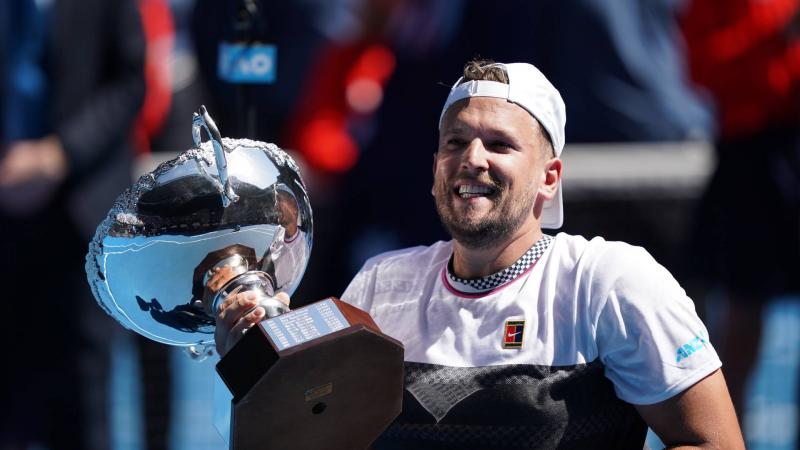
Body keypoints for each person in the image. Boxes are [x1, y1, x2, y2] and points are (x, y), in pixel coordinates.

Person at [215, 59, 744, 449]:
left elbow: (716, 443)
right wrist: (254, 364)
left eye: (500, 144)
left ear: (549, 178)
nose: (472, 159)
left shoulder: (609, 282)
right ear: (434, 170)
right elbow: (308, 435)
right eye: (455, 142)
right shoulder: (380, 283)